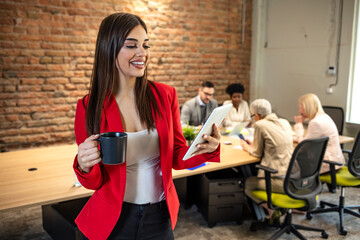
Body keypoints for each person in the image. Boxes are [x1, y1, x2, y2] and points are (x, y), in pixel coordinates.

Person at [73, 12, 221, 240]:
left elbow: (177, 157)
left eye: (146, 45)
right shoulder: (88, 106)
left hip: (159, 216)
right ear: (108, 49)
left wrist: (207, 149)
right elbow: (94, 181)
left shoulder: (164, 95)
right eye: (131, 45)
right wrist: (83, 165)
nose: (142, 53)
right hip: (115, 217)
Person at [239, 99, 293, 223]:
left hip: (279, 179)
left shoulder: (260, 124)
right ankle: (277, 208)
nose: (253, 119)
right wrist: (255, 144)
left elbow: (256, 153)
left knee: (246, 185)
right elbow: (273, 145)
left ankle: (271, 210)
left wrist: (246, 146)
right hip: (293, 176)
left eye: (253, 116)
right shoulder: (284, 122)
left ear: (257, 115)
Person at [294, 93, 345, 174]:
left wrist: (298, 124)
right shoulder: (324, 116)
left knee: (295, 159)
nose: (299, 111)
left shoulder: (315, 123)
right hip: (335, 162)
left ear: (308, 107)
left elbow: (303, 145)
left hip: (327, 164)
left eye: (301, 108)